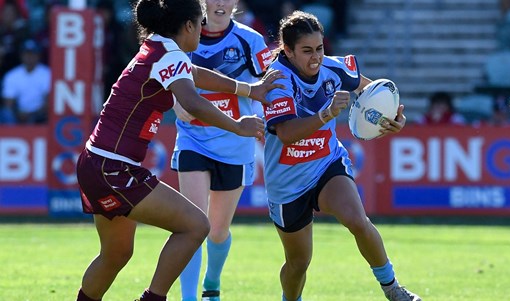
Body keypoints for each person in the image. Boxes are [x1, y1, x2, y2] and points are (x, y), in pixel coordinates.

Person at [74, 0, 282, 300]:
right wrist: (238, 125)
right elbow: (193, 101)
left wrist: (250, 90)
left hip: (96, 162)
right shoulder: (169, 54)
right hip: (114, 168)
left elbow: (195, 73)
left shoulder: (159, 47)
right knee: (196, 226)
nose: (203, 29)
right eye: (200, 23)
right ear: (187, 26)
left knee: (116, 255)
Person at [262, 10, 421, 301]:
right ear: (287, 50)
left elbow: (371, 90)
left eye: (320, 49)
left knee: (357, 220)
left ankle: (392, 288)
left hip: (326, 164)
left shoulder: (334, 69)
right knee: (298, 263)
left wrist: (393, 117)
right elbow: (285, 134)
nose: (315, 58)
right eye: (306, 51)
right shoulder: (276, 81)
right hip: (286, 181)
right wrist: (327, 113)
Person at [169, 0, 273, 300]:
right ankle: (189, 298)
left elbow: (274, 82)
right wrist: (174, 101)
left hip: (235, 146)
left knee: (216, 231)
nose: (220, 3)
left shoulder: (250, 40)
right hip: (193, 139)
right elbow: (163, 76)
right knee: (192, 225)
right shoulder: (183, 35)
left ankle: (211, 283)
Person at [1, 39, 50, 124]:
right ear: (21, 55)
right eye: (27, 54)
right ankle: (11, 135)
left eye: (32, 54)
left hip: (40, 114)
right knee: (5, 113)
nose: (29, 57)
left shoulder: (47, 73)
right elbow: (8, 103)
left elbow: (49, 100)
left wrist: (32, 114)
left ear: (38, 55)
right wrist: (18, 113)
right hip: (18, 114)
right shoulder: (12, 75)